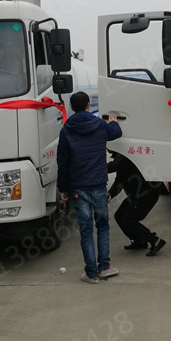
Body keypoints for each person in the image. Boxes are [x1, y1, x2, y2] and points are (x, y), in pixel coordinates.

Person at [58, 91, 122, 284]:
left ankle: (91, 274)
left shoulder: (66, 130)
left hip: (78, 187)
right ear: (88, 105)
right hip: (98, 185)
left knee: (86, 230)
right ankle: (105, 268)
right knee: (102, 226)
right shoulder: (100, 125)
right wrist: (113, 122)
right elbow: (116, 133)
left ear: (71, 107)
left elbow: (63, 163)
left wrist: (63, 188)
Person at [107, 153, 166, 256]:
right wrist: (110, 194)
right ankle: (139, 241)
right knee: (119, 215)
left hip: (146, 194)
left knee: (128, 221)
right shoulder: (120, 159)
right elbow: (119, 181)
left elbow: (110, 167)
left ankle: (155, 241)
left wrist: (92, 166)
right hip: (136, 195)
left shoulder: (124, 156)